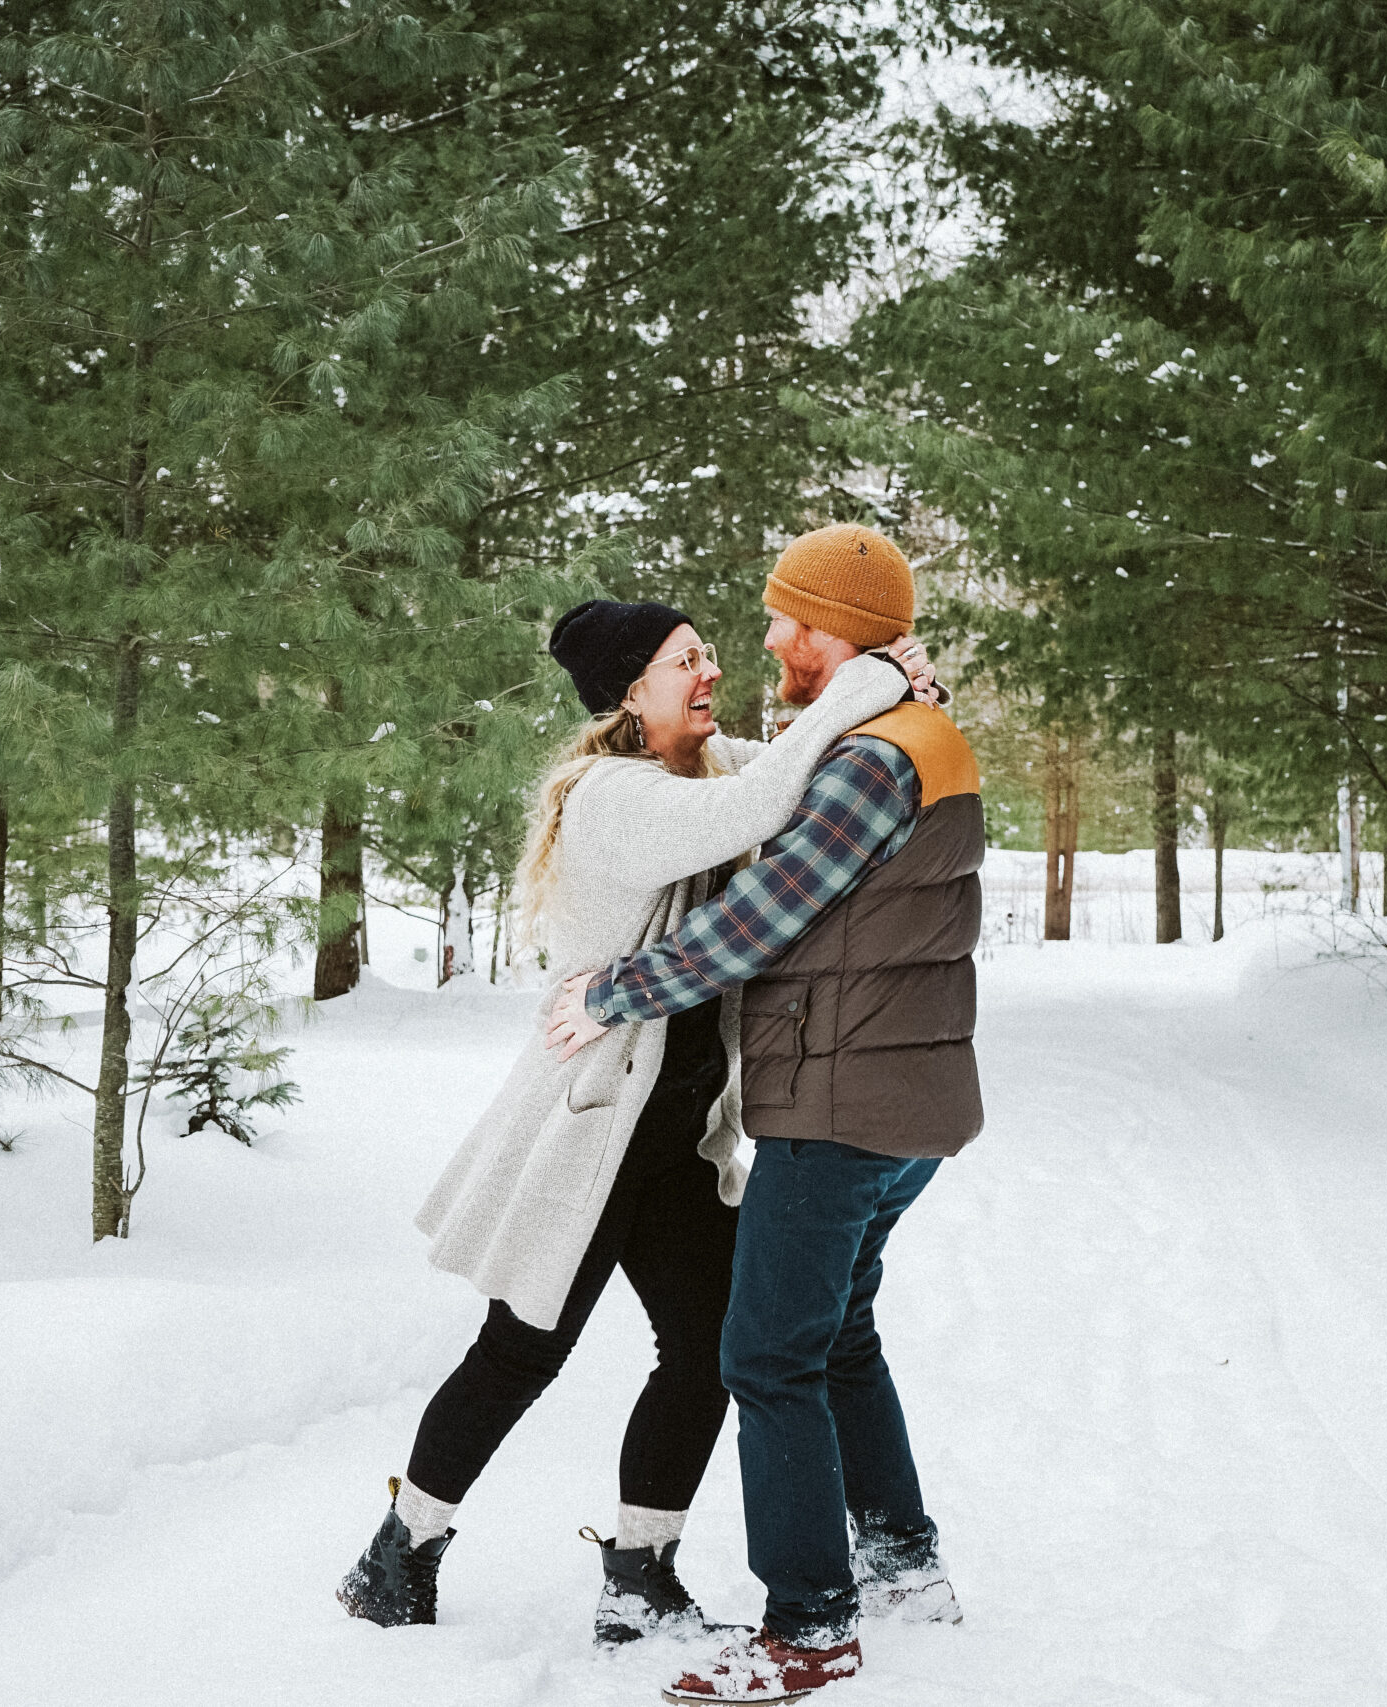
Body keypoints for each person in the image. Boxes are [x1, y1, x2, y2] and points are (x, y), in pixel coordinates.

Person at [337, 595, 938, 1644]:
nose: (708, 672)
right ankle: (402, 1551)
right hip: (591, 1130)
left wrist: (900, 694)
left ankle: (639, 1573)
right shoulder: (614, 794)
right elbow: (760, 804)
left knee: (708, 1348)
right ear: (628, 689)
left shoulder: (700, 769)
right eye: (683, 660)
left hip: (671, 1141)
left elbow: (807, 760)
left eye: (706, 654)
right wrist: (875, 675)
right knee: (520, 1352)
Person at [545, 525, 985, 1704]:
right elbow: (763, 780)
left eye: (791, 621)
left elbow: (749, 927)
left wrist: (611, 993)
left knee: (765, 1356)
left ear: (839, 632)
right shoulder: (911, 731)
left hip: (839, 1100)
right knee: (838, 1337)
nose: (772, 641)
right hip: (911, 1104)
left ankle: (810, 1627)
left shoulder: (864, 762)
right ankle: (901, 1563)